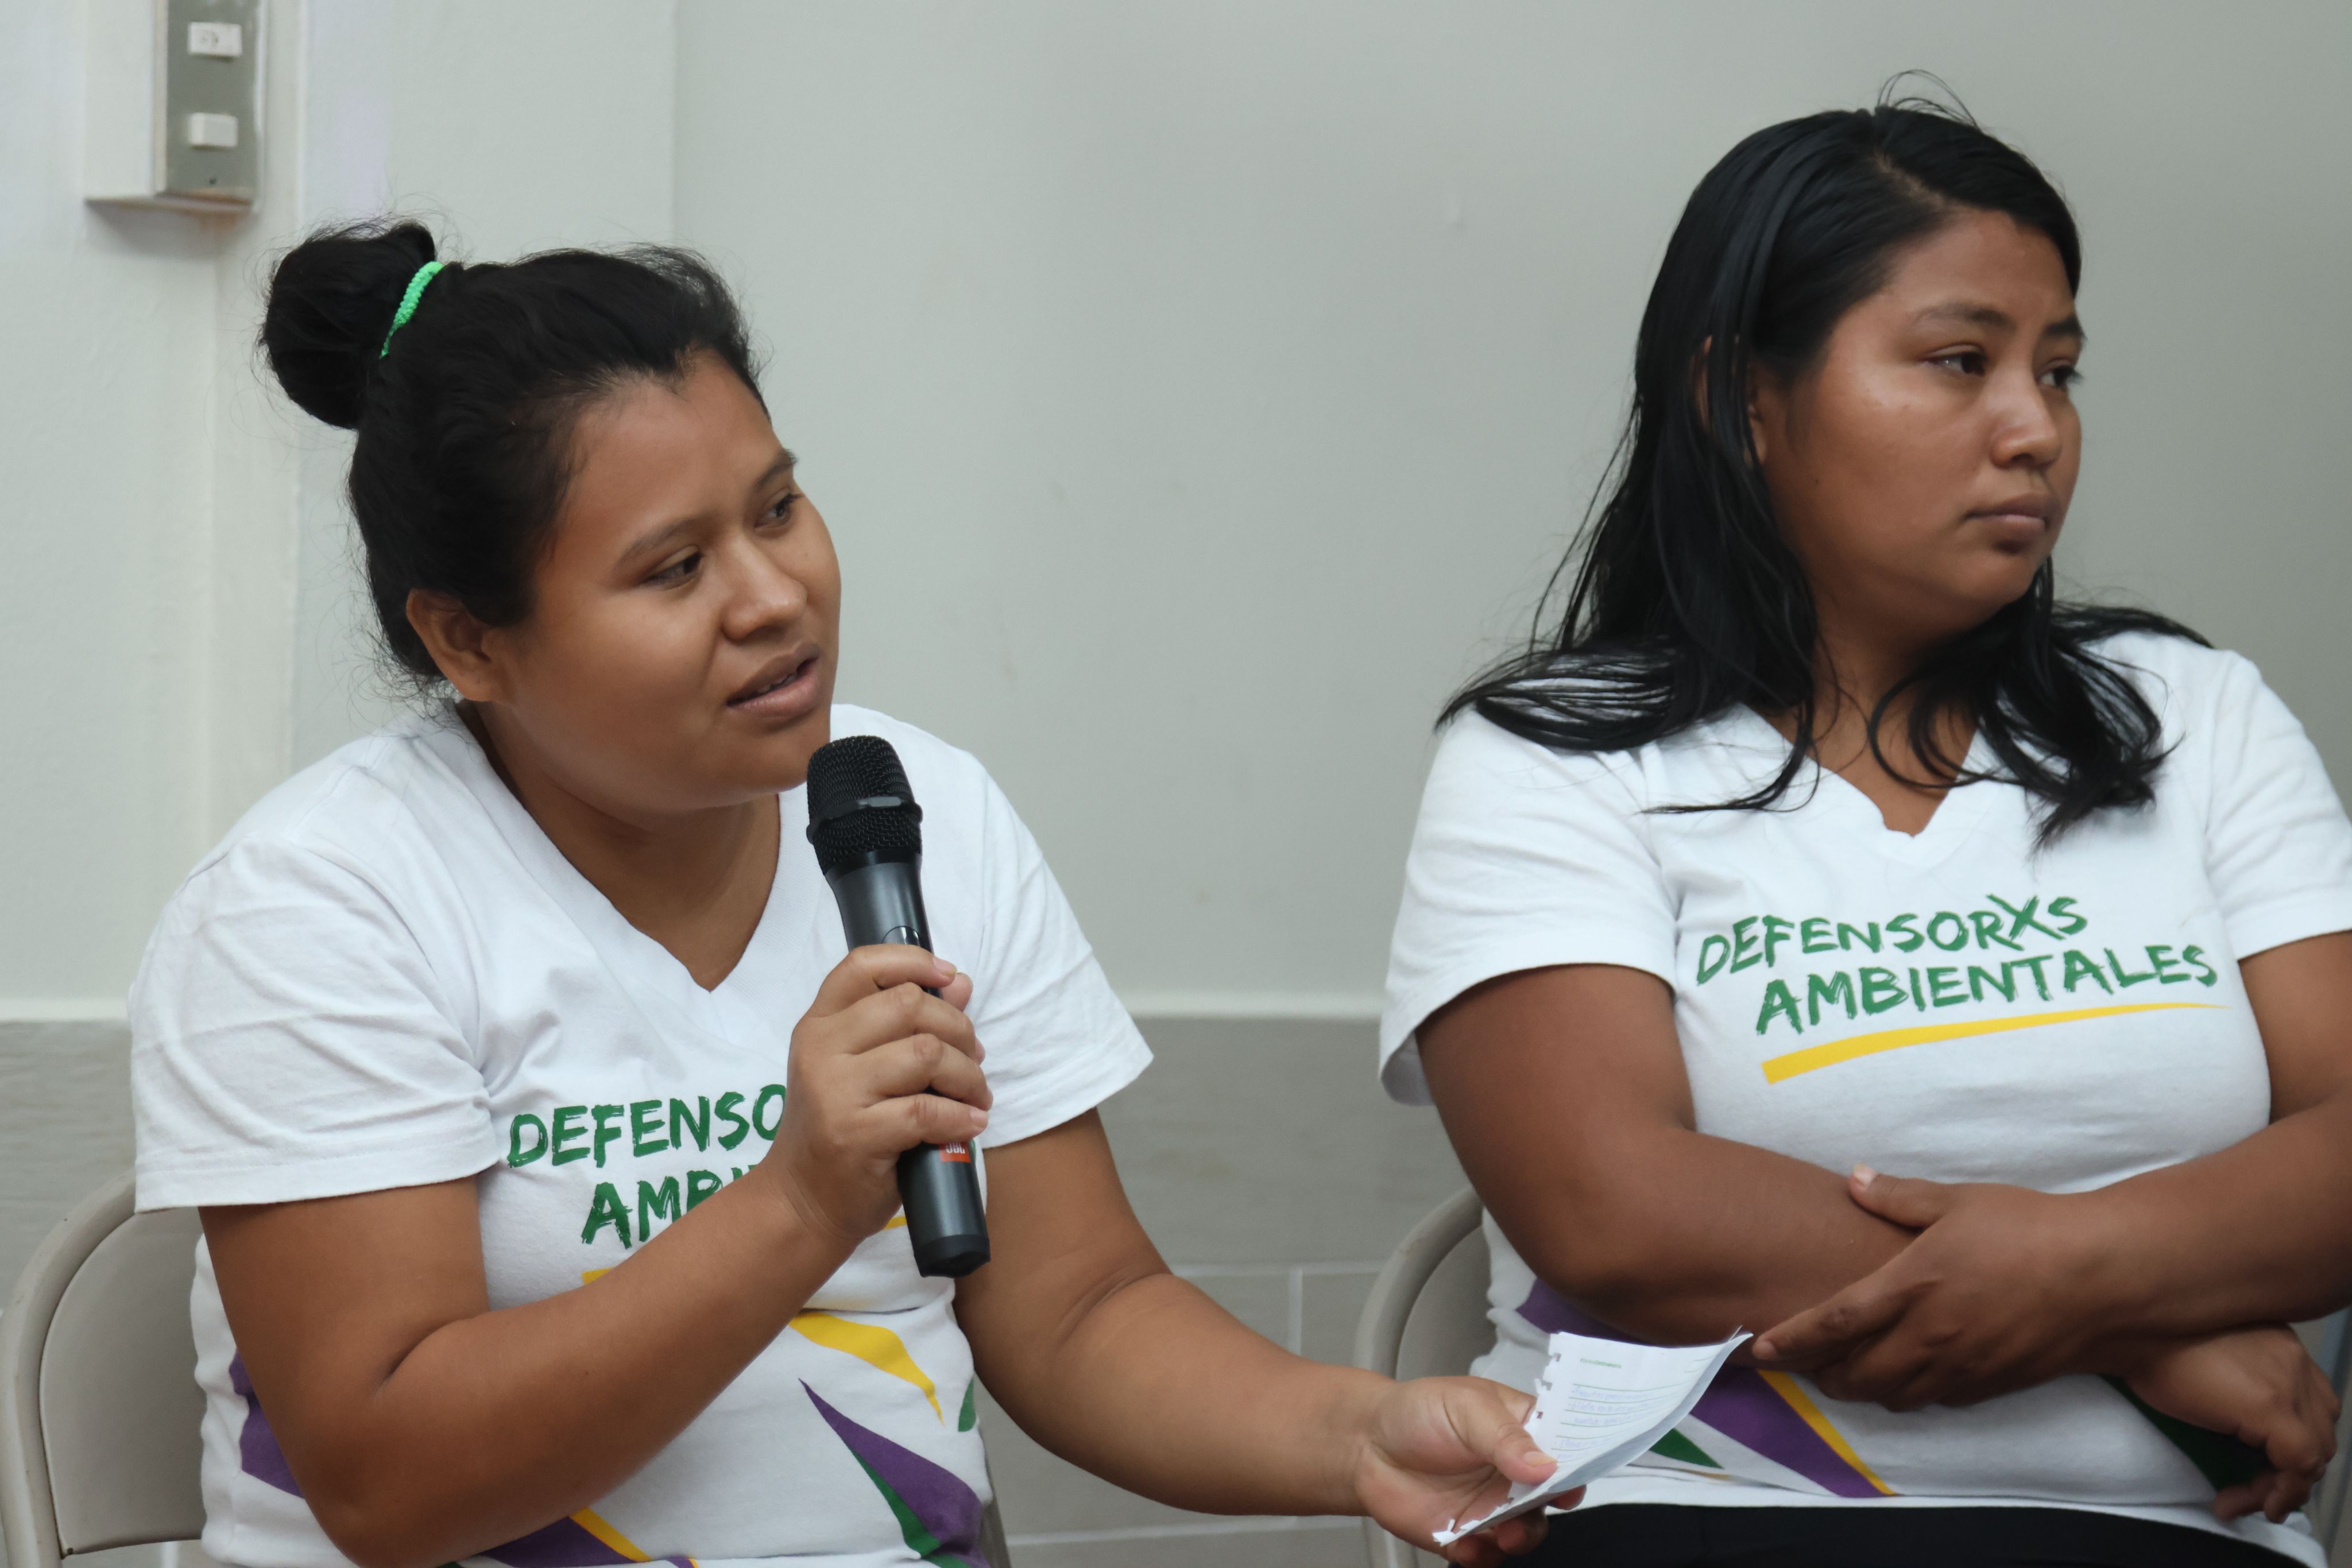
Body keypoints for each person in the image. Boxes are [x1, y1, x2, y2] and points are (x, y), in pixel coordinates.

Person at [128, 220, 1561, 1568]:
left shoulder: (923, 816)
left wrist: (1354, 1432)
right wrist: (799, 1200)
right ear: (468, 640)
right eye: (675, 567)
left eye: (779, 506)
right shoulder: (320, 904)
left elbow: (1077, 1311)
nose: (775, 596)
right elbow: (387, 1478)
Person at [1380, 93, 2352, 1568]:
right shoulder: (1553, 753)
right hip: (1693, 1511)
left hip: (2158, 1534)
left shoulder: (2188, 714)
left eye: (2058, 371)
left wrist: (2076, 1274)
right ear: (1740, 398)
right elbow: (1610, 1209)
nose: (2033, 429)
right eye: (1958, 362)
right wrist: (2130, 1335)